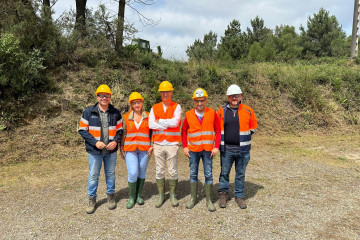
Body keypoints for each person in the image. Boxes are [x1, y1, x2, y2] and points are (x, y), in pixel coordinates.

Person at [78, 84, 123, 214]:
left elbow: (120, 131)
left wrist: (115, 142)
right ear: (97, 97)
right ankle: (92, 200)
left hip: (111, 151)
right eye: (101, 95)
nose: (104, 98)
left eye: (107, 96)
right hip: (95, 151)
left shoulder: (116, 113)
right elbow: (82, 130)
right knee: (93, 175)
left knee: (110, 174)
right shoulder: (88, 112)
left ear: (110, 97)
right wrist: (95, 142)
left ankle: (110, 197)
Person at [217, 84, 257, 209]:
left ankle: (239, 196)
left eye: (236, 96)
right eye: (231, 96)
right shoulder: (221, 111)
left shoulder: (248, 110)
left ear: (241, 96)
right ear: (228, 97)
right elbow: (217, 128)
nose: (234, 98)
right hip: (227, 149)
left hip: (243, 149)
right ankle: (223, 193)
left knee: (240, 174)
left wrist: (243, 138)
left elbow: (253, 126)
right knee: (224, 173)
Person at [181, 88, 221, 212]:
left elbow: (218, 130)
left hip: (208, 150)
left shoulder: (212, 113)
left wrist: (216, 147)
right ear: (194, 101)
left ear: (206, 100)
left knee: (208, 174)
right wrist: (185, 147)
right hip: (193, 150)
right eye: (197, 101)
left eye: (202, 101)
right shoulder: (188, 114)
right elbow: (183, 131)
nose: (200, 104)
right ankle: (193, 198)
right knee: (193, 174)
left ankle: (209, 200)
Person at [149, 80, 182, 208]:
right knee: (159, 170)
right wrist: (166, 124)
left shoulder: (176, 106)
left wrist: (160, 121)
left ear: (171, 92)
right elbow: (151, 124)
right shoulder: (154, 107)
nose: (165, 94)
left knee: (173, 170)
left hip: (172, 144)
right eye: (163, 92)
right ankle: (161, 195)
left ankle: (173, 195)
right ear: (160, 93)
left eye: (167, 91)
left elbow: (175, 122)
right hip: (158, 143)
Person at [120, 92, 153, 209]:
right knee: (133, 173)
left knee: (142, 172)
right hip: (130, 149)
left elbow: (153, 133)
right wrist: (121, 148)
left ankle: (139, 195)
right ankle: (131, 197)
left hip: (145, 149)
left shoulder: (149, 116)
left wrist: (152, 146)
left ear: (142, 103)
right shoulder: (125, 117)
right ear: (131, 105)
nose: (136, 105)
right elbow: (122, 133)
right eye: (134, 103)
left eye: (138, 102)